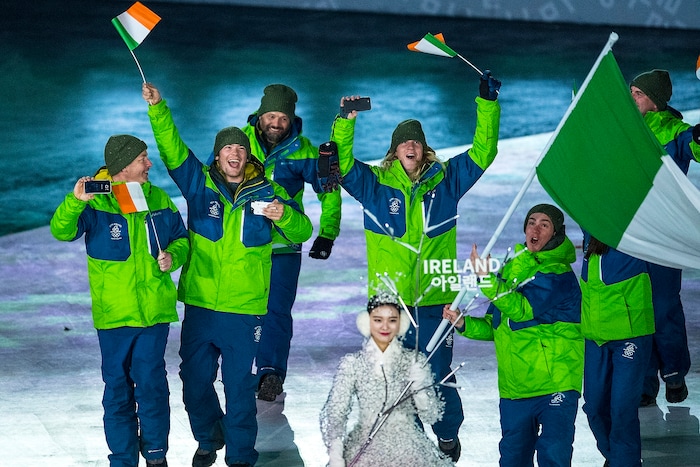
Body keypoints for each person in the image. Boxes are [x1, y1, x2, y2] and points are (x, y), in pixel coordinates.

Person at [330, 71, 502, 461]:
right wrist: (345, 121)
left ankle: (446, 429)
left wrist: (487, 104)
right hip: (389, 305)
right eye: (404, 141)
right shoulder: (374, 186)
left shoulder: (448, 181)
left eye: (418, 141)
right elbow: (339, 165)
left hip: (436, 299)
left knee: (437, 372)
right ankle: (412, 440)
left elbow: (484, 151)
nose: (411, 145)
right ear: (394, 152)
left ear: (425, 151)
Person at [141, 83, 313, 467]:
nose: (235, 154)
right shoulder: (199, 186)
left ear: (247, 156)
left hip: (244, 310)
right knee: (194, 382)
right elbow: (172, 149)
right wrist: (158, 109)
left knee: (239, 390)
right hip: (201, 306)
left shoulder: (267, 192)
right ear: (217, 157)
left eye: (240, 149)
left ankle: (240, 457)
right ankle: (209, 435)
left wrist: (283, 215)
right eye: (227, 149)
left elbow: (302, 232)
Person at [50, 135, 190, 467]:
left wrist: (174, 255)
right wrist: (75, 201)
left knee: (152, 387)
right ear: (123, 166)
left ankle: (156, 455)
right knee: (117, 391)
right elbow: (61, 230)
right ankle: (123, 460)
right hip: (114, 317)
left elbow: (181, 237)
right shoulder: (95, 203)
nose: (149, 164)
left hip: (154, 314)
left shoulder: (157, 198)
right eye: (143, 158)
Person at [443, 204, 583, 466]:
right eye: (531, 222)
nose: (536, 228)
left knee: (554, 457)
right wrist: (463, 323)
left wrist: (486, 280)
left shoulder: (558, 274)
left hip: (555, 383)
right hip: (515, 388)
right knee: (512, 460)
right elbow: (498, 325)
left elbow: (522, 310)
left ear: (555, 233)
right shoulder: (513, 269)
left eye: (544, 224)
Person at [240, 84, 342, 402]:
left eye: (282, 118)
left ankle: (270, 374)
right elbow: (208, 185)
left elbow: (329, 190)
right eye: (271, 116)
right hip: (241, 245)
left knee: (277, 312)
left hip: (284, 246)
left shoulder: (305, 150)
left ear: (291, 118)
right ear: (260, 116)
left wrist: (327, 233)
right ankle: (239, 369)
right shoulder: (236, 145)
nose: (276, 123)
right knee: (238, 309)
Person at [630, 69, 700, 405]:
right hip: (630, 235)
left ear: (654, 101)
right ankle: (644, 384)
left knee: (663, 308)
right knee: (638, 311)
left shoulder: (676, 132)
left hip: (665, 239)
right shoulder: (623, 129)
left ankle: (674, 375)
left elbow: (696, 148)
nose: (631, 99)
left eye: (637, 94)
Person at [319, 292, 453, 467]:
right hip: (364, 445)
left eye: (392, 320)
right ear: (367, 322)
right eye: (377, 320)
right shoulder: (352, 364)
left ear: (401, 324)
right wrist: (336, 456)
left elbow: (431, 415)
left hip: (409, 447)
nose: (385, 327)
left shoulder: (413, 361)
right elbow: (335, 413)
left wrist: (420, 387)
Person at [579, 232, 655, 467]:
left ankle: (627, 462)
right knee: (594, 407)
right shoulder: (589, 233)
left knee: (622, 409)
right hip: (596, 335)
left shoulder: (633, 231)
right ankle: (615, 458)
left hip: (629, 334)